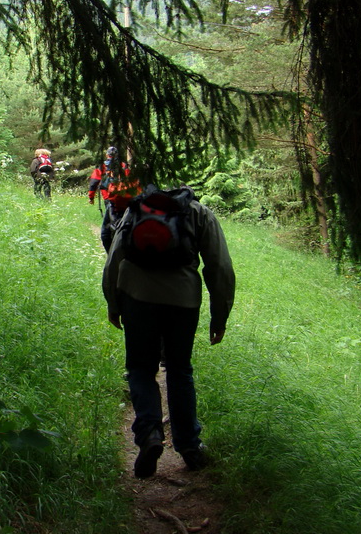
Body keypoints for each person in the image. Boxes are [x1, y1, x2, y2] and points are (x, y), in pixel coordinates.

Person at [102, 186, 235, 479]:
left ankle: (149, 434)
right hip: (183, 300)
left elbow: (115, 257)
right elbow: (220, 265)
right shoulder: (199, 213)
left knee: (140, 368)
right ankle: (189, 447)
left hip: (136, 296)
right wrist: (220, 315)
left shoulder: (138, 208)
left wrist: (113, 301)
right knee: (179, 370)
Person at [88, 147, 140, 250]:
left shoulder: (102, 167)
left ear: (107, 155)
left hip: (110, 198)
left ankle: (112, 252)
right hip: (126, 199)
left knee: (106, 232)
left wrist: (91, 197)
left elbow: (94, 182)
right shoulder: (124, 166)